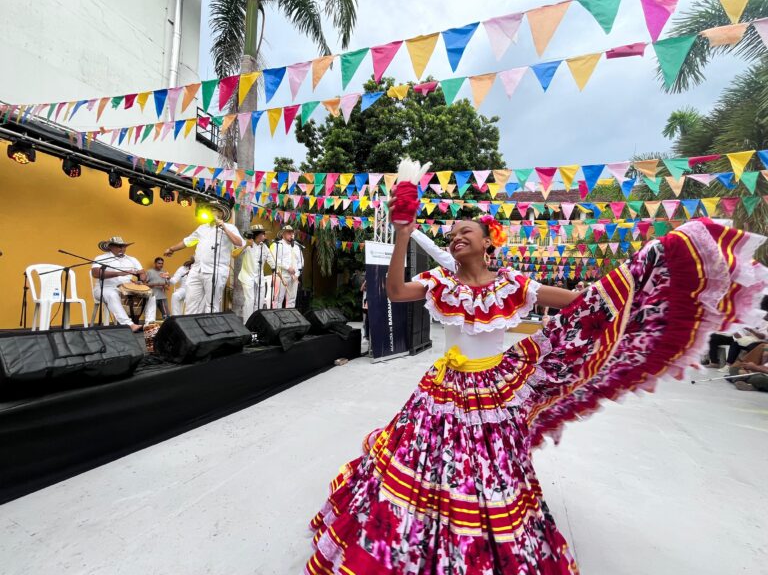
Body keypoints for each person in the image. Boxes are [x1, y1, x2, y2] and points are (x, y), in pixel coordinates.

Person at [304, 160, 767, 575]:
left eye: (468, 231)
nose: (457, 236)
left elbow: (581, 303)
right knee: (420, 465)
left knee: (492, 471)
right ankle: (417, 540)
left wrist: (637, 286)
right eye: (453, 233)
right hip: (442, 387)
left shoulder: (514, 286)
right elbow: (395, 292)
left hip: (496, 390)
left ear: (487, 243)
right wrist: (404, 232)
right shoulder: (437, 282)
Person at [163, 202, 243, 314]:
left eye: (213, 210)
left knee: (211, 305)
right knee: (191, 302)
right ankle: (189, 330)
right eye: (209, 210)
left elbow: (239, 243)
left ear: (221, 213)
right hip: (197, 270)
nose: (210, 212)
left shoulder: (230, 228)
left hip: (215, 271)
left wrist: (224, 228)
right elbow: (187, 241)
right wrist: (171, 249)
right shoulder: (202, 228)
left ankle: (209, 330)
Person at [91, 236, 156, 333]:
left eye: (124, 246)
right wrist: (118, 273)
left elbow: (142, 273)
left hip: (127, 288)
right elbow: (95, 273)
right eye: (118, 246)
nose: (122, 249)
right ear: (110, 247)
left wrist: (141, 281)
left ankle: (149, 324)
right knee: (112, 294)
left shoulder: (132, 259)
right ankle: (129, 324)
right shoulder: (101, 258)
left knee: (150, 294)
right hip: (105, 288)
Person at [235, 224, 276, 322]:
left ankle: (256, 322)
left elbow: (272, 262)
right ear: (257, 235)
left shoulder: (264, 247)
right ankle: (247, 323)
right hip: (247, 277)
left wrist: (277, 273)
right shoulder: (246, 244)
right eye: (263, 234)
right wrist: (245, 245)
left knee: (260, 301)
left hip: (259, 278)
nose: (265, 236)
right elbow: (234, 254)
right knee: (250, 300)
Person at [269, 224, 303, 308]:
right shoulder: (277, 244)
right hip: (281, 276)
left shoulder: (297, 246)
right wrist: (287, 267)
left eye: (292, 232)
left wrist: (297, 274)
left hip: (294, 277)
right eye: (288, 232)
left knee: (292, 300)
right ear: (283, 234)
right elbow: (274, 259)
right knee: (278, 300)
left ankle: (289, 319)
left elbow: (301, 262)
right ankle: (276, 320)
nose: (291, 234)